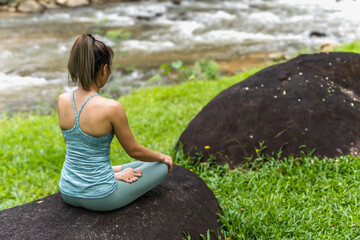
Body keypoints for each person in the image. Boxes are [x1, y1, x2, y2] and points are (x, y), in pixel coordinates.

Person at [57, 34, 172, 211]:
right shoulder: (111, 107)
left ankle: (113, 173)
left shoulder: (63, 100)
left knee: (137, 167)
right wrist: (163, 157)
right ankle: (116, 174)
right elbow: (134, 150)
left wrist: (116, 174)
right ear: (104, 69)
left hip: (68, 191)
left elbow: (79, 153)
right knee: (159, 166)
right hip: (101, 197)